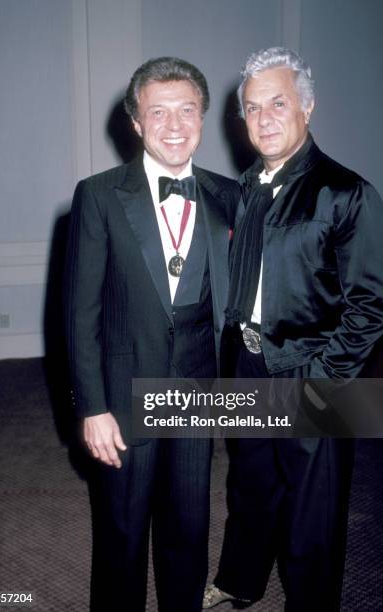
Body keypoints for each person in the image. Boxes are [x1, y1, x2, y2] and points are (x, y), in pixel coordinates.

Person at [203, 47, 383, 611]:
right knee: (250, 484)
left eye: (277, 103)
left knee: (315, 509)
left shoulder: (348, 192)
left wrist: (327, 380)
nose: (264, 118)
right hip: (250, 363)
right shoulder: (246, 188)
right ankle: (238, 581)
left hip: (319, 370)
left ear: (307, 107)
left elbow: (371, 304)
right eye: (252, 108)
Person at [64, 57, 239, 612]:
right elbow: (79, 313)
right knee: (121, 537)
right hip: (121, 397)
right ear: (135, 123)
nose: (174, 124)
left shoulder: (227, 195)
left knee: (188, 535)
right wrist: (92, 406)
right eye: (156, 112)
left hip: (195, 395)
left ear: (203, 117)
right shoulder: (98, 195)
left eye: (187, 110)